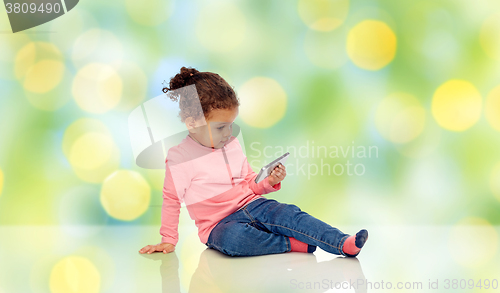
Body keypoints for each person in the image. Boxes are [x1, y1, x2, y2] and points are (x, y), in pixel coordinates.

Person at [139, 67, 368, 257]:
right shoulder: (180, 158)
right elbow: (171, 200)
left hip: (254, 205)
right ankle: (290, 245)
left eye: (231, 124)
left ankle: (342, 242)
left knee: (289, 214)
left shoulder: (232, 144)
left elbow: (250, 184)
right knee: (234, 241)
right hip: (219, 226)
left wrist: (268, 181)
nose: (229, 132)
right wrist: (168, 239)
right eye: (221, 127)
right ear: (192, 123)